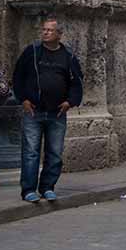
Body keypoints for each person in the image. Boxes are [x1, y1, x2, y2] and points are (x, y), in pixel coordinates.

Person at [12, 17, 84, 203]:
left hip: (57, 113)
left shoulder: (68, 56)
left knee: (54, 152)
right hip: (33, 111)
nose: (45, 33)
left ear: (59, 34)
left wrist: (70, 102)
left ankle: (47, 187)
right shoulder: (33, 52)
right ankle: (28, 189)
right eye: (44, 29)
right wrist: (24, 100)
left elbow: (77, 82)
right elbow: (18, 76)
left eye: (50, 30)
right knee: (31, 152)